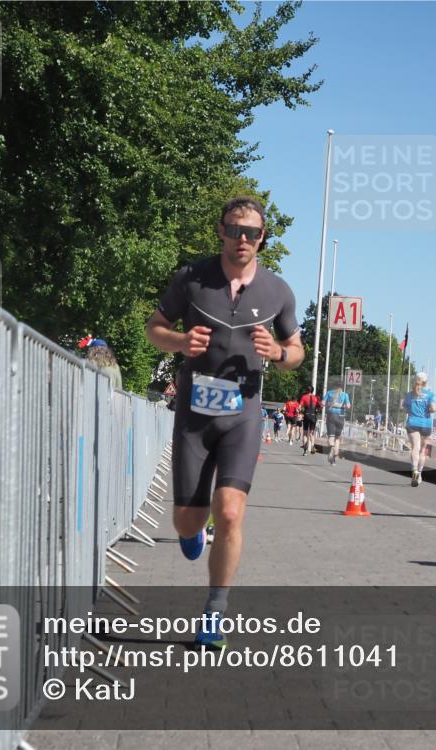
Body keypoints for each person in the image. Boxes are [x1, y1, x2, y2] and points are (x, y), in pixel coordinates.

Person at [145, 196, 304, 647]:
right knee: (187, 524)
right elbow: (152, 327)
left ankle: (215, 612)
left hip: (243, 416)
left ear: (262, 238)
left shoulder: (278, 291)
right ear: (220, 231)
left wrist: (278, 353)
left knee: (231, 512)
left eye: (252, 233)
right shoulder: (192, 279)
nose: (243, 240)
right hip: (195, 417)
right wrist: (178, 341)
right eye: (235, 230)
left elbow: (296, 350)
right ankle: (192, 535)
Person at [402, 372, 436, 486]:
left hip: (413, 422)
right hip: (426, 424)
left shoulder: (410, 394)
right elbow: (433, 409)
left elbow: (405, 408)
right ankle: (420, 474)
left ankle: (414, 470)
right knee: (422, 450)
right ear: (426, 382)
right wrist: (428, 409)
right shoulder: (430, 394)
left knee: (415, 447)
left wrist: (412, 410)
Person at [324, 381, 351, 464]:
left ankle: (331, 448)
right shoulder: (345, 395)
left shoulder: (329, 393)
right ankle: (335, 456)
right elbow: (348, 406)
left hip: (331, 415)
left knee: (331, 436)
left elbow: (322, 403)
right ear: (342, 387)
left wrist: (329, 405)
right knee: (337, 438)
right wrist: (342, 406)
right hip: (341, 417)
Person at [299, 388, 322, 455]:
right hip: (313, 416)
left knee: (305, 433)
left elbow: (300, 406)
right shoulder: (316, 397)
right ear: (313, 390)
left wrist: (299, 411)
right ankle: (312, 446)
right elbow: (321, 406)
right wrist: (318, 410)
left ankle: (305, 450)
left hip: (306, 415)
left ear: (307, 390)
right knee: (311, 433)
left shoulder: (304, 397)